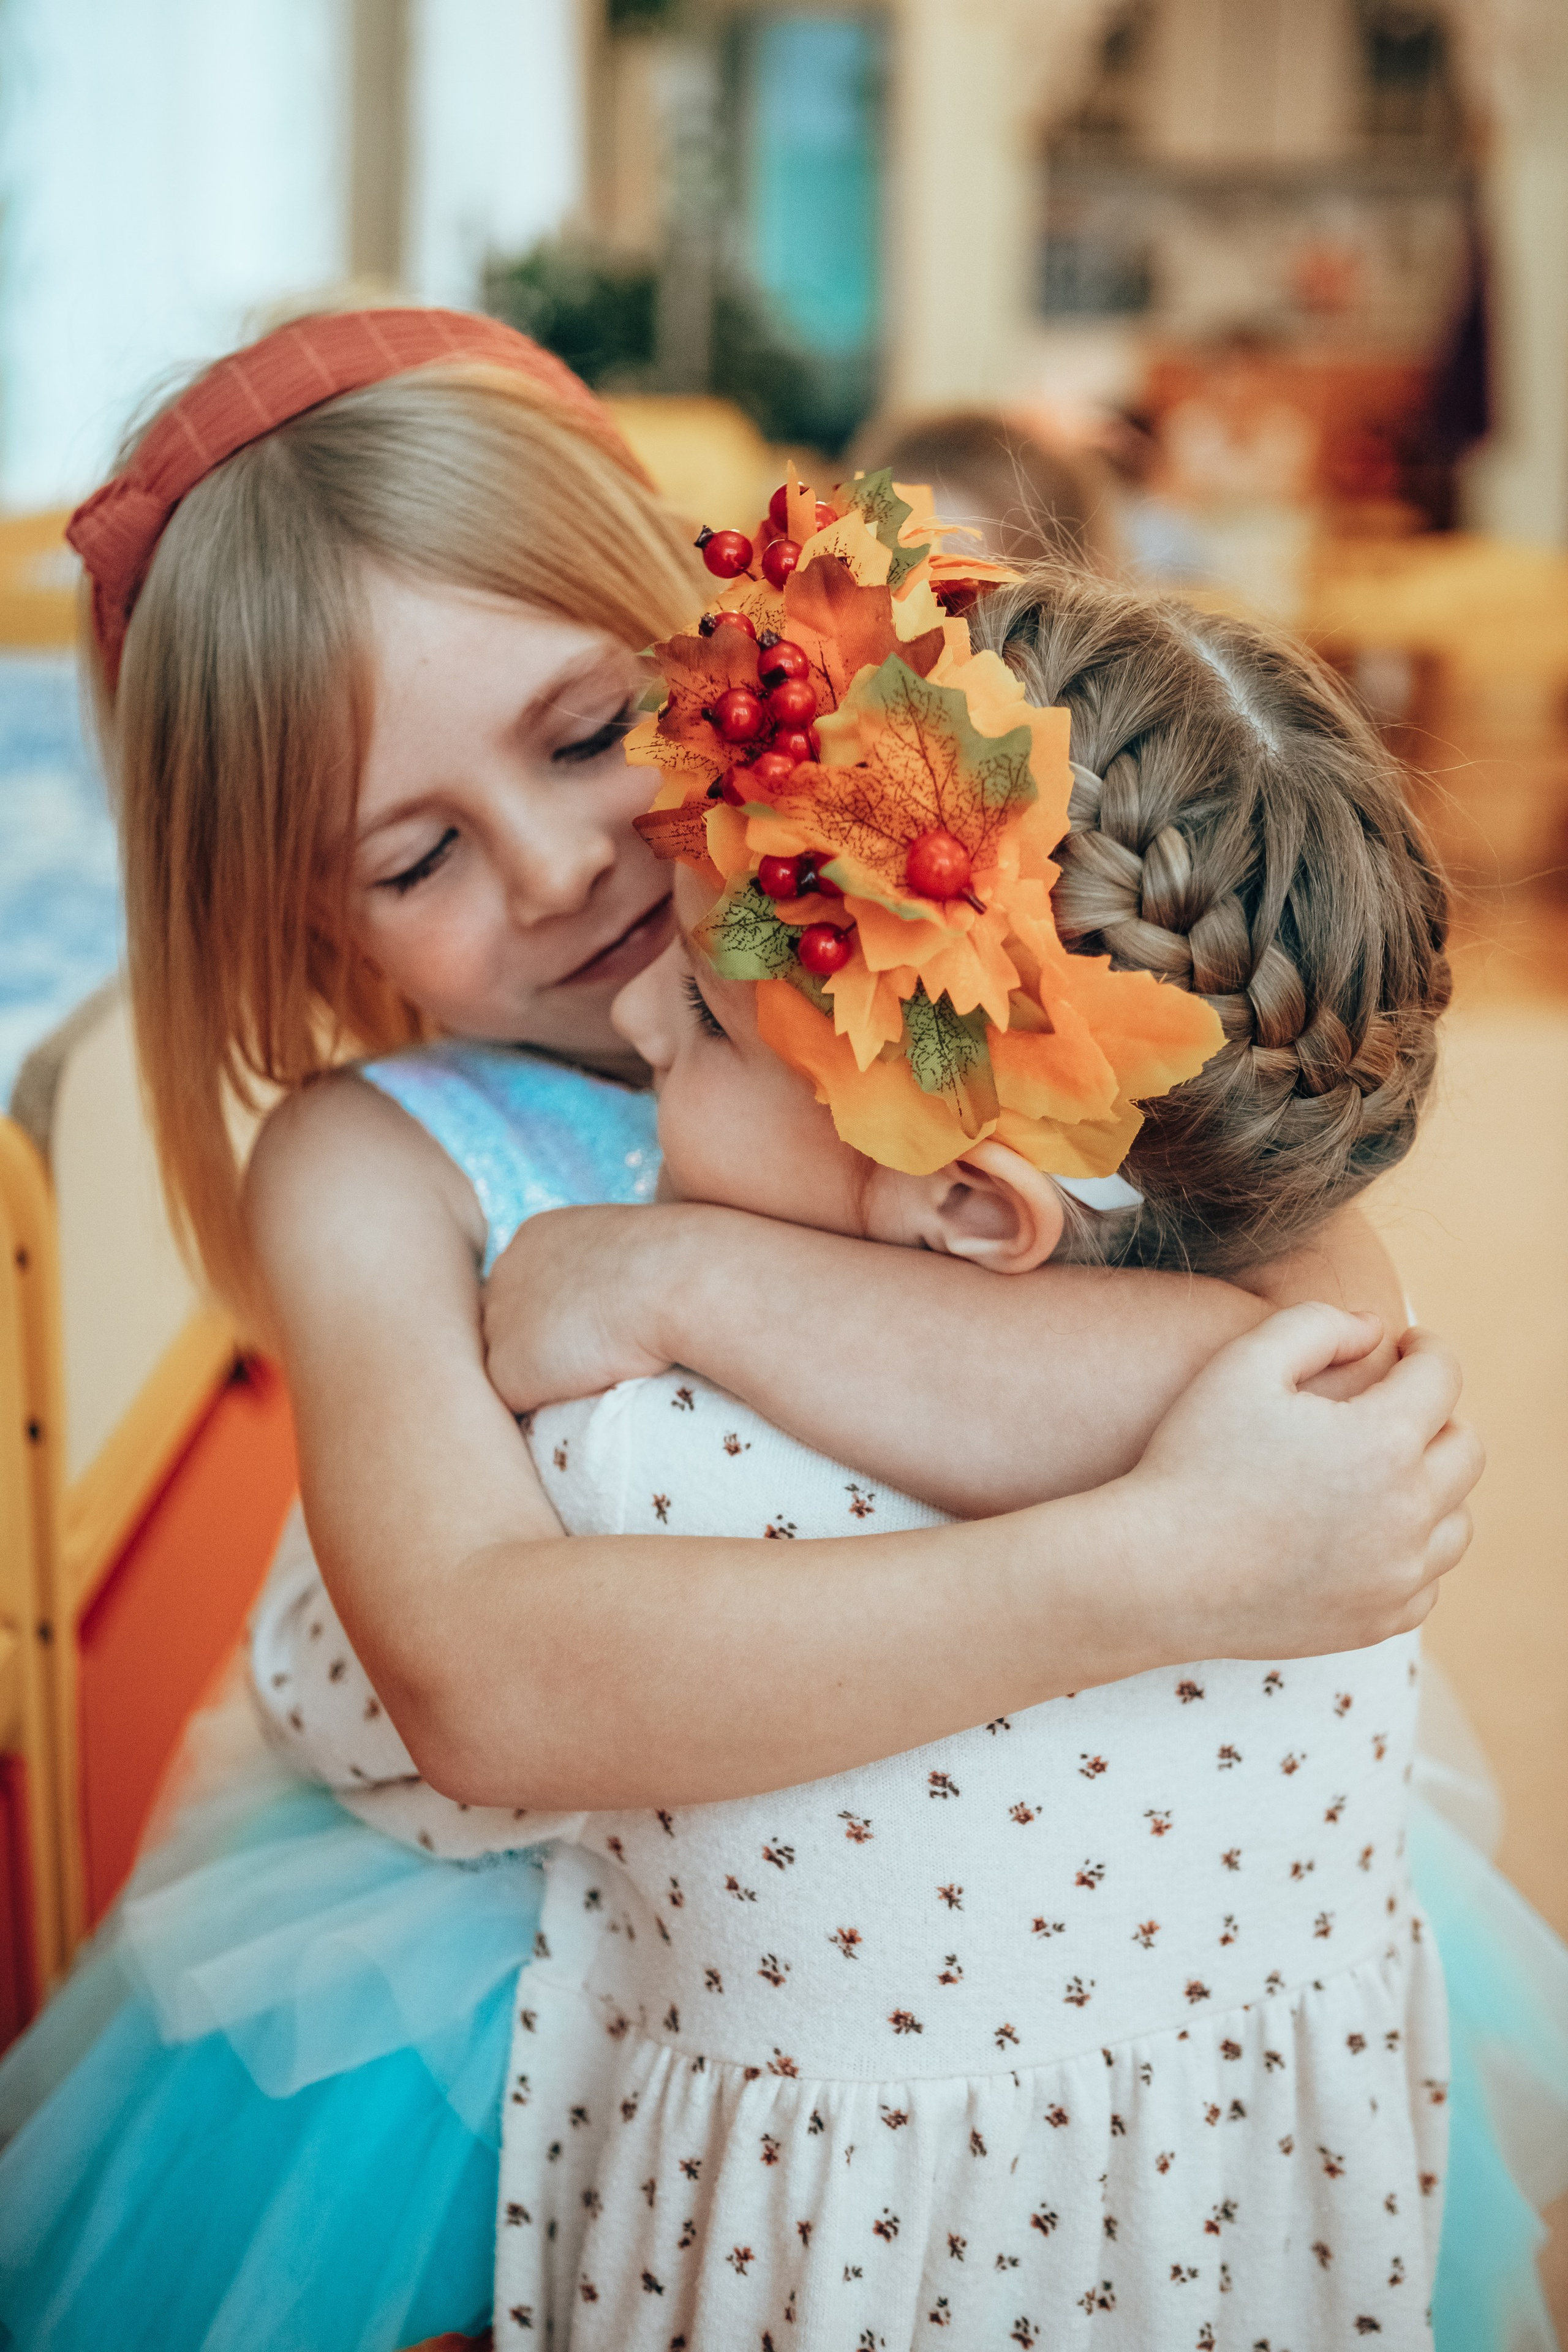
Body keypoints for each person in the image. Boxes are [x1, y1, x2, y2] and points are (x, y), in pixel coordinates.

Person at [0, 315, 1485, 2352]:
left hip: (1087, 1986)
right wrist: (1143, 1566)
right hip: (601, 2032)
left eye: (587, 730)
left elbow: (1329, 1336)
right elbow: (486, 1687)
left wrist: (691, 1279)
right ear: (300, 919)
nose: (562, 875)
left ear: (714, 651)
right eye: (414, 855)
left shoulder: (945, 919)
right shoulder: (376, 1164)